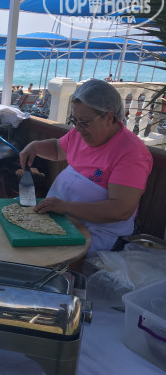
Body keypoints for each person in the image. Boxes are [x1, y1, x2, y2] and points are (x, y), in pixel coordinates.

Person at [19, 78, 153, 254]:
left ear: (109, 117)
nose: (78, 128)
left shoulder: (132, 154)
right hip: (64, 221)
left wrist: (65, 207)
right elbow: (57, 149)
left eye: (84, 122)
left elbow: (121, 210)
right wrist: (35, 146)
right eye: (74, 120)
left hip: (101, 235)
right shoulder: (80, 133)